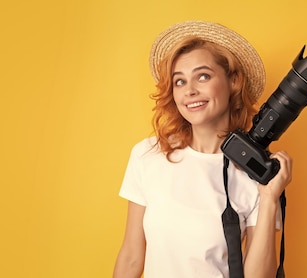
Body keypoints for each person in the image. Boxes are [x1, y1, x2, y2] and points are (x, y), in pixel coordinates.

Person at [113, 20, 292, 278]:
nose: (190, 91)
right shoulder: (148, 155)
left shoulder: (256, 172)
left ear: (233, 81)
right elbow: (131, 257)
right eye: (179, 82)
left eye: (203, 76)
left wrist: (269, 198)